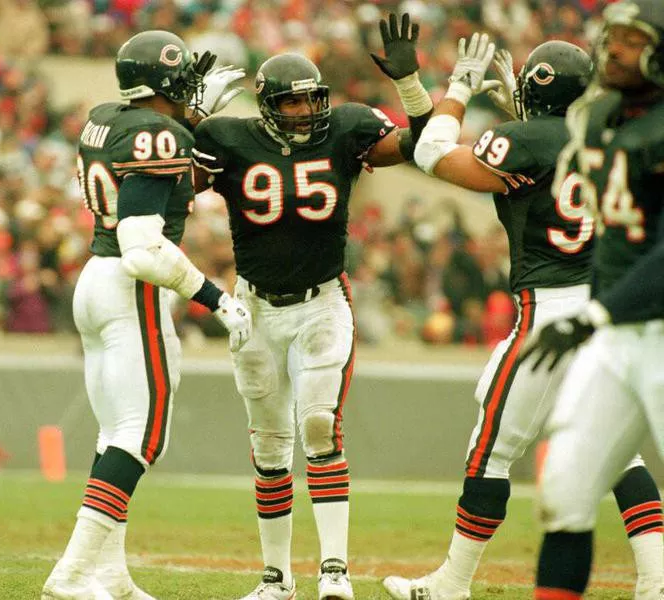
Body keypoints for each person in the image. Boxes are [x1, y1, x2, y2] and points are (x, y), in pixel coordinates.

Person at [382, 32, 663, 600]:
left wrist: (459, 85)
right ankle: (656, 580)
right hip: (606, 304)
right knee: (616, 449)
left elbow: (432, 153)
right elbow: (551, 149)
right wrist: (525, 108)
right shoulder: (608, 133)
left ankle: (452, 583)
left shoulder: (526, 139)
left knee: (491, 448)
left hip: (549, 310)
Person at [192, 13, 434, 600]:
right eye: (293, 104)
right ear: (269, 106)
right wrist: (188, 118)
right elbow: (168, 179)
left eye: (312, 102)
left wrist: (410, 86)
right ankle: (276, 579)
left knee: (320, 429)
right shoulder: (229, 138)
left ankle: (334, 573)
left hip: (321, 303)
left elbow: (423, 146)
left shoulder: (345, 128)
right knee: (269, 446)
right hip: (253, 308)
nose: (306, 114)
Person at [42, 30, 251, 600]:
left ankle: (108, 573)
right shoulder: (157, 134)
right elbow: (141, 244)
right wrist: (216, 298)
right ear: (164, 83)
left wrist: (188, 118)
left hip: (95, 277)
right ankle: (71, 573)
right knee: (143, 434)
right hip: (131, 284)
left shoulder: (108, 115)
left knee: (115, 432)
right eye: (183, 79)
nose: (192, 88)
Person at [519, 1, 664, 598]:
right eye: (612, 38)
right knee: (566, 491)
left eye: (633, 40)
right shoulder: (598, 115)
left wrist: (594, 313)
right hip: (617, 334)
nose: (615, 50)